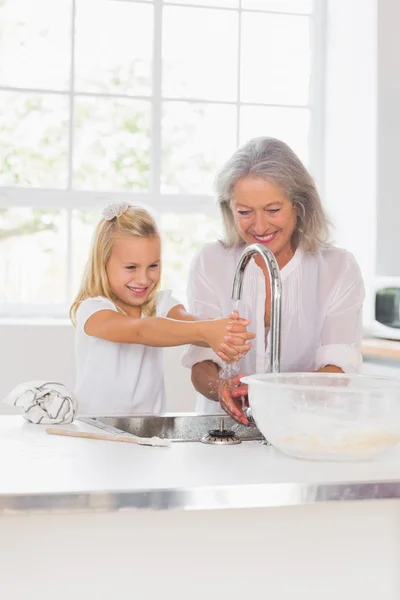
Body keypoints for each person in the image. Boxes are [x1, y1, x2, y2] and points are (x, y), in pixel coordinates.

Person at [182, 137, 365, 425]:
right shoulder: (211, 261)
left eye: (273, 210)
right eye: (244, 212)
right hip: (222, 433)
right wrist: (221, 389)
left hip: (306, 427)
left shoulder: (337, 268)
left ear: (299, 204)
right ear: (229, 209)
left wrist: (273, 397)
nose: (259, 226)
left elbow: (338, 369)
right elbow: (201, 360)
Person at [70, 202, 254, 416]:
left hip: (148, 430)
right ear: (102, 264)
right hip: (96, 431)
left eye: (153, 266)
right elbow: (141, 330)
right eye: (131, 267)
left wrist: (227, 334)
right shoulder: (93, 310)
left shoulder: (159, 303)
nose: (143, 278)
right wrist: (207, 331)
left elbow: (186, 321)